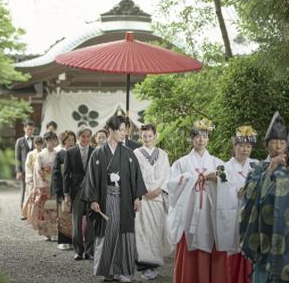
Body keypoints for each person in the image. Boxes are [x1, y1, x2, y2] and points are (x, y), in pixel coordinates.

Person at [243, 112, 289, 283]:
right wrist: (269, 169)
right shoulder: (258, 167)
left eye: (282, 142)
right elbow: (251, 199)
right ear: (266, 144)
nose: (278, 146)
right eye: (274, 142)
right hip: (267, 235)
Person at [167, 118, 240, 283]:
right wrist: (194, 178)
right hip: (189, 213)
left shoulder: (218, 163)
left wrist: (217, 179)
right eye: (198, 136)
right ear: (191, 139)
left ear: (208, 139)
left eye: (205, 136)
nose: (201, 140)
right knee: (189, 246)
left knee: (213, 242)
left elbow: (228, 182)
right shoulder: (181, 163)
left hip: (210, 213)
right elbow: (172, 185)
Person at [83, 115, 147, 282]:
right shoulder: (98, 153)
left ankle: (122, 270)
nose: (123, 133)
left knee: (124, 233)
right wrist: (93, 200)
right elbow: (91, 178)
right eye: (120, 130)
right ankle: (107, 271)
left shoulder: (128, 153)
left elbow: (136, 177)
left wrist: (137, 197)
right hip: (105, 199)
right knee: (107, 233)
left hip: (124, 199)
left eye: (125, 130)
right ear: (110, 130)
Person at [133, 123, 171, 280]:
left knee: (156, 230)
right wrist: (142, 191)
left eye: (150, 136)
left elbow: (167, 175)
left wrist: (159, 190)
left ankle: (153, 264)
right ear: (140, 136)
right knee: (142, 231)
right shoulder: (135, 153)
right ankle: (143, 266)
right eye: (144, 136)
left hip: (157, 197)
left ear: (156, 136)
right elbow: (134, 175)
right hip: (143, 198)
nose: (147, 139)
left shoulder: (163, 154)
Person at [222, 126, 258, 283]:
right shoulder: (224, 168)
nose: (245, 150)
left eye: (248, 146)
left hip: (251, 214)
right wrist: (236, 190)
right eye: (241, 146)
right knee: (233, 247)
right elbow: (221, 190)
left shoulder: (256, 165)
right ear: (234, 146)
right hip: (233, 214)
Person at [63, 128, 96, 260]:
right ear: (78, 137)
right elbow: (66, 174)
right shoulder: (70, 152)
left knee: (91, 222)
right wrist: (66, 194)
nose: (86, 139)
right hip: (76, 191)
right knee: (76, 223)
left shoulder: (95, 151)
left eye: (88, 137)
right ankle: (78, 250)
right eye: (83, 136)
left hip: (92, 191)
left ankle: (89, 251)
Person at [30, 131, 59, 241]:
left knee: (54, 209)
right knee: (45, 210)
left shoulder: (58, 153)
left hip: (55, 184)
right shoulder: (40, 155)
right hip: (44, 185)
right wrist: (44, 181)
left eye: (54, 140)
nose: (53, 142)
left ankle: (54, 232)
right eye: (50, 140)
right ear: (46, 141)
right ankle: (46, 233)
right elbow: (38, 170)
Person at [53, 130, 77, 250]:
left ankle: (74, 239)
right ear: (63, 141)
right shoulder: (60, 154)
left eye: (73, 140)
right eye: (68, 140)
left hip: (75, 189)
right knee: (63, 215)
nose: (71, 142)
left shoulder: (77, 152)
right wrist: (59, 191)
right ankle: (63, 241)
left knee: (74, 216)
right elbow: (56, 174)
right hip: (63, 189)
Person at [14, 120, 35, 216]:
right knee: (23, 190)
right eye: (28, 129)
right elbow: (17, 157)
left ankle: (33, 211)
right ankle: (23, 211)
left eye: (31, 129)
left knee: (34, 190)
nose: (30, 131)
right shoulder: (20, 141)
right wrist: (18, 171)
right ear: (24, 129)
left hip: (35, 170)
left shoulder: (36, 140)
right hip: (23, 170)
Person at [22, 135, 44, 222]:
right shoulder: (31, 154)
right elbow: (28, 166)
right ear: (35, 144)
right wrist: (30, 177)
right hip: (32, 178)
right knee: (29, 196)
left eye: (40, 144)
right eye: (37, 144)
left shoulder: (43, 153)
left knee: (40, 197)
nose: (39, 146)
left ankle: (37, 214)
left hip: (41, 178)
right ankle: (26, 213)